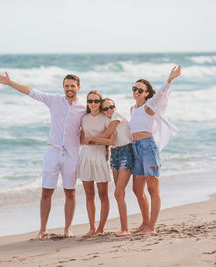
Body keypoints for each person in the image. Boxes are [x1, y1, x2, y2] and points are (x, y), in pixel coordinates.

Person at [0, 72, 86, 238]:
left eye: (72, 86)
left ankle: (68, 229)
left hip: (72, 154)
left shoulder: (84, 109)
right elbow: (31, 91)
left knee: (70, 192)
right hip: (52, 152)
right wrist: (10, 82)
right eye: (66, 85)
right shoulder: (54, 100)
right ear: (63, 87)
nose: (69, 88)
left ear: (78, 88)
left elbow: (91, 128)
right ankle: (43, 229)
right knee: (46, 191)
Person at [130, 65, 181, 235]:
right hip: (135, 149)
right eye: (134, 88)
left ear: (146, 93)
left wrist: (169, 79)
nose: (136, 91)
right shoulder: (132, 108)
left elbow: (160, 93)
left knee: (153, 189)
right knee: (137, 190)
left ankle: (152, 226)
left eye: (140, 89)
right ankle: (144, 223)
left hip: (148, 148)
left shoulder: (149, 106)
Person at [84, 98, 133, 236]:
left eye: (111, 107)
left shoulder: (116, 117)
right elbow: (109, 141)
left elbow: (106, 135)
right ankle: (124, 227)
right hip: (115, 153)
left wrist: (90, 139)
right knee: (119, 194)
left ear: (115, 107)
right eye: (105, 109)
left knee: (118, 192)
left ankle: (126, 229)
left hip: (126, 152)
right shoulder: (108, 120)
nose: (109, 110)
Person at [77, 90, 113, 236]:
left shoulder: (106, 119)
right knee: (89, 194)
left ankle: (101, 228)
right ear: (87, 103)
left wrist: (98, 143)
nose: (93, 104)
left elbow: (110, 140)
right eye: (90, 101)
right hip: (85, 156)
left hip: (100, 157)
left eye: (96, 101)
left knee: (103, 194)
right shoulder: (83, 118)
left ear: (100, 102)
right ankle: (92, 228)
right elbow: (81, 139)